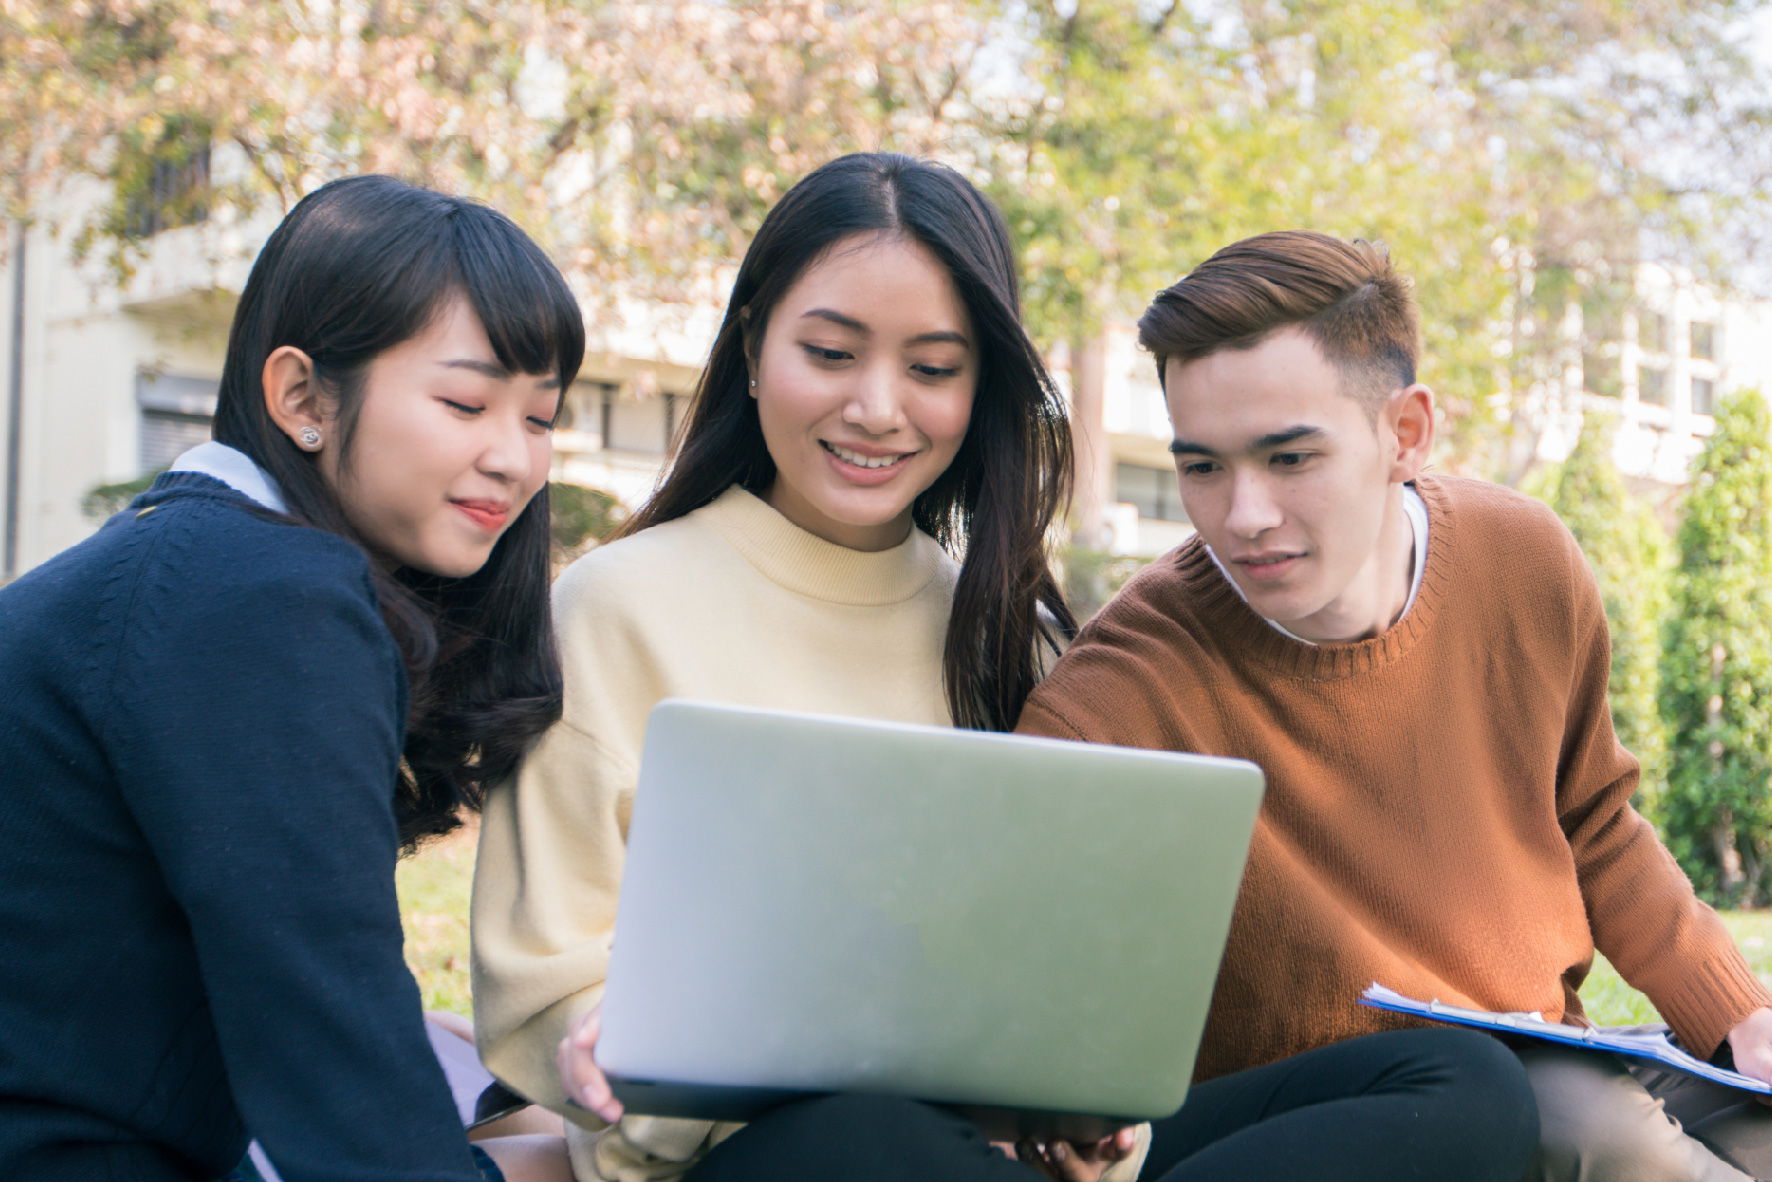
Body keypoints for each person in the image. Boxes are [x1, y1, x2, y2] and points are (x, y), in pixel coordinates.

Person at [469, 154, 1539, 1182]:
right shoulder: (612, 608)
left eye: (931, 369)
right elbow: (542, 992)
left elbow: (1062, 977)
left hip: (984, 1151)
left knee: (1459, 1084)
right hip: (771, 1155)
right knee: (862, 1133)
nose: (877, 408)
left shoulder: (1005, 631)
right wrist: (603, 1049)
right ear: (753, 351)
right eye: (830, 354)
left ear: (978, 390)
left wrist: (1089, 1115)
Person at [1015, 228, 1772, 1180]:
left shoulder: (1524, 559)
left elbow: (1596, 824)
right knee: (1596, 1136)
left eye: (1289, 459)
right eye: (1202, 466)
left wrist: (1739, 1012)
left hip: (1568, 1049)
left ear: (1404, 434)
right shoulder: (1115, 697)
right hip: (1379, 1116)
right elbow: (1036, 972)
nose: (1241, 515)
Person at [0, 175, 581, 1182]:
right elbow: (331, 1039)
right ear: (302, 398)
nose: (513, 460)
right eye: (464, 401)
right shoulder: (263, 595)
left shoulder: (184, 559)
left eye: (540, 417)